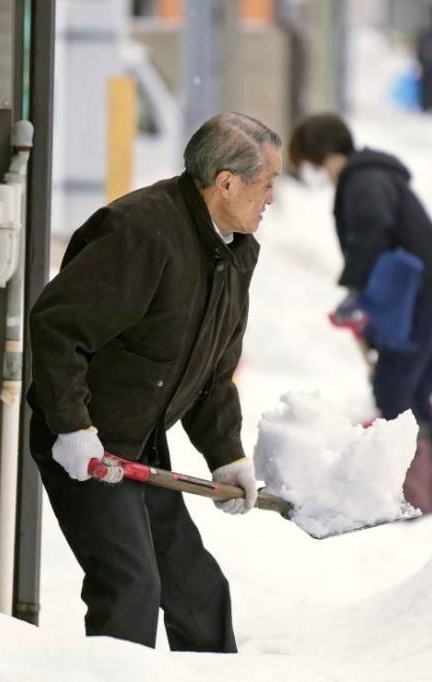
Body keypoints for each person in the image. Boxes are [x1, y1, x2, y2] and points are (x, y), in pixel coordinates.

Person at [26, 112, 282, 651]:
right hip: (88, 443)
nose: (271, 198)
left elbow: (213, 371)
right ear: (226, 183)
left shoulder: (235, 251)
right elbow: (58, 327)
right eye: (266, 183)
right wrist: (71, 426)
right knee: (130, 588)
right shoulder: (140, 231)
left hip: (139, 442)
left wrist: (226, 455)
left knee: (198, 593)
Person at [287, 113, 432, 515]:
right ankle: (425, 503)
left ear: (320, 154)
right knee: (413, 395)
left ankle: (415, 502)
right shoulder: (372, 175)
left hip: (425, 298)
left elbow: (371, 231)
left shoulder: (363, 180)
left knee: (395, 392)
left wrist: (355, 291)